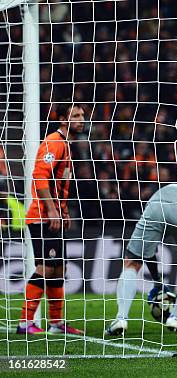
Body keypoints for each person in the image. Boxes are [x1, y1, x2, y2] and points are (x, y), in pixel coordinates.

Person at [105, 184, 177, 335]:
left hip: (155, 206)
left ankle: (120, 318)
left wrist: (158, 282)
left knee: (132, 262)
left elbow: (148, 254)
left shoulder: (176, 188)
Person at [19, 103, 86, 335]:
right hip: (41, 217)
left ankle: (56, 323)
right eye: (76, 115)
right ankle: (25, 323)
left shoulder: (66, 146)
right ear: (62, 120)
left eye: (82, 115)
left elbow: (60, 184)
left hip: (52, 216)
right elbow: (39, 175)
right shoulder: (54, 142)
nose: (81, 119)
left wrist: (63, 210)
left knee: (59, 268)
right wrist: (51, 209)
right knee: (46, 267)